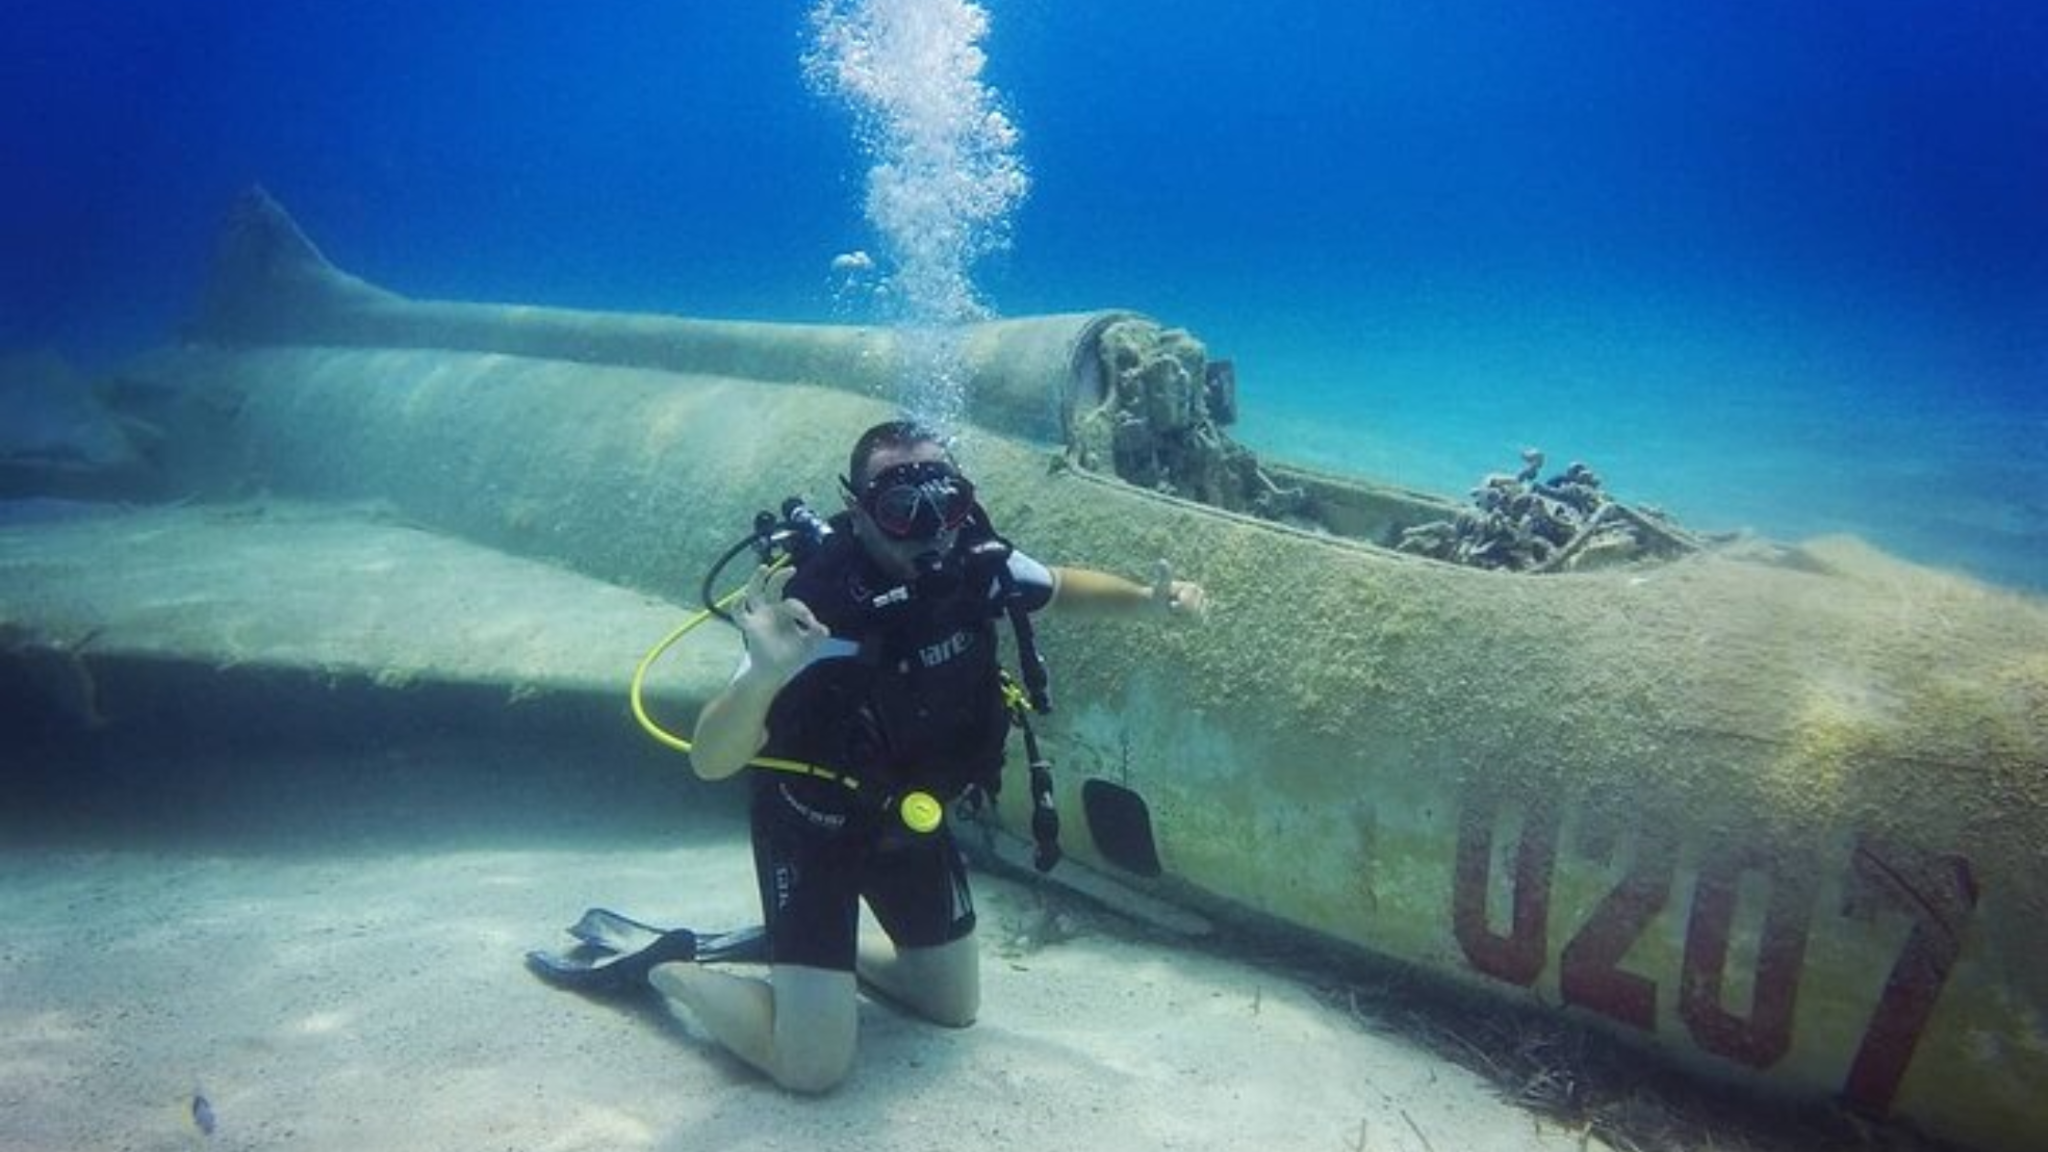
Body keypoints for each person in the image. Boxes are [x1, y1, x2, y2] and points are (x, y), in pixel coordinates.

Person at [656, 418, 1205, 1092]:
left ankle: (812, 963)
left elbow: (1058, 586)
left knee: (951, 1006)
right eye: (901, 509)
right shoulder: (815, 609)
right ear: (860, 513)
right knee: (813, 1069)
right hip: (812, 829)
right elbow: (711, 760)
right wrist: (765, 673)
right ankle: (669, 969)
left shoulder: (976, 557)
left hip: (905, 815)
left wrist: (1149, 604)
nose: (934, 528)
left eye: (946, 501)